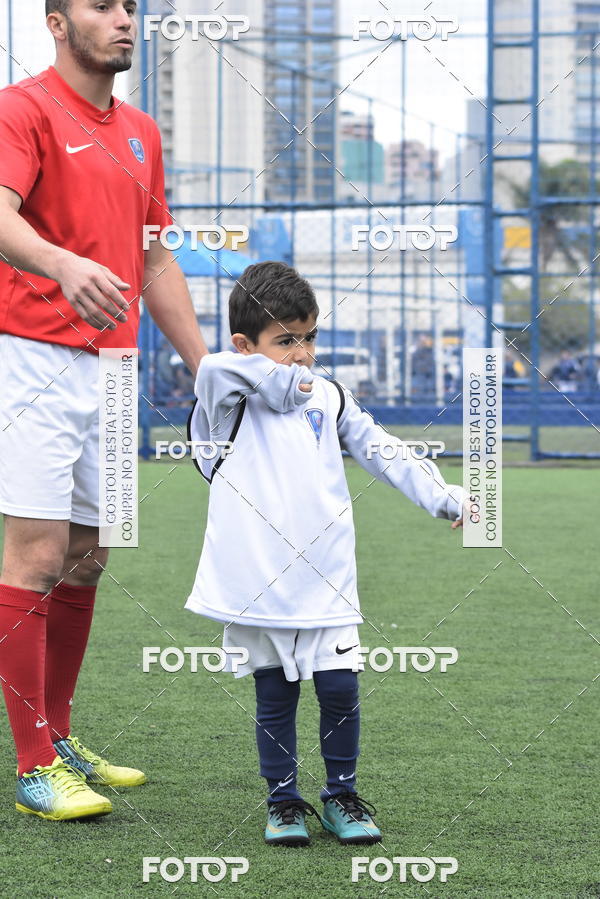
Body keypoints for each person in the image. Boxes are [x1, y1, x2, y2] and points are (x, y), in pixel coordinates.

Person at [0, 1, 208, 820]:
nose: (124, 19)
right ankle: (30, 764)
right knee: (39, 553)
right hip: (33, 355)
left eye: (130, 6)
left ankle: (59, 734)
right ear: (56, 23)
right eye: (101, 5)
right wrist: (61, 263)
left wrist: (206, 368)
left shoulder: (143, 132)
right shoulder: (22, 108)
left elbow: (154, 255)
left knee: (90, 555)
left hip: (115, 370)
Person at [185, 262, 466, 846]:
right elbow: (213, 365)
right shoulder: (222, 399)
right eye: (286, 340)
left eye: (309, 337)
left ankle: (341, 794)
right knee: (275, 693)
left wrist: (448, 500)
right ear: (246, 345)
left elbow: (384, 451)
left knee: (340, 687)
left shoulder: (330, 398)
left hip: (327, 580)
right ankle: (282, 802)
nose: (303, 353)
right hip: (258, 584)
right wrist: (280, 375)